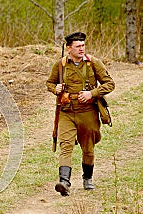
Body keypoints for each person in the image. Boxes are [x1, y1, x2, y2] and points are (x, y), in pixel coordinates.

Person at [46, 32, 115, 196]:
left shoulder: (93, 63)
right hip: (67, 111)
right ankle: (64, 182)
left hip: (88, 112)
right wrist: (54, 88)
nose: (81, 49)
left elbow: (110, 84)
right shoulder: (61, 65)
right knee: (66, 146)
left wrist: (92, 93)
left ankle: (87, 178)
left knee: (88, 148)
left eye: (83, 45)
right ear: (68, 48)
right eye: (78, 46)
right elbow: (50, 82)